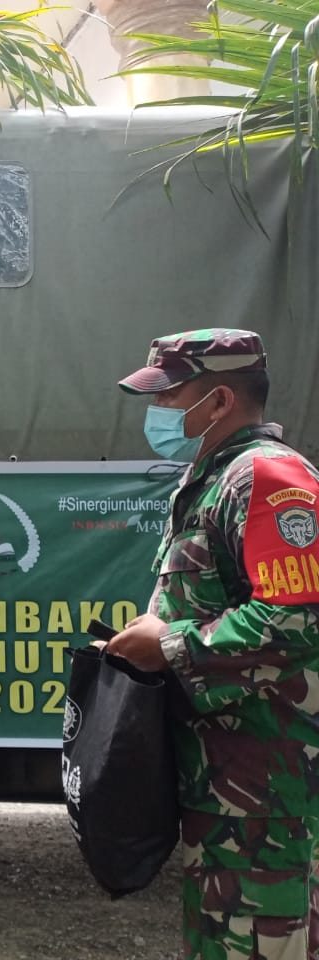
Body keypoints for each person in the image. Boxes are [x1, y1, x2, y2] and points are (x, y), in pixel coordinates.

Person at [106, 329, 319, 959]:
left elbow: (299, 619)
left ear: (219, 400)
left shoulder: (268, 477)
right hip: (227, 780)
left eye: (170, 397)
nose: (159, 413)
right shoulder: (214, 478)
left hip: (271, 788)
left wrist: (171, 646)